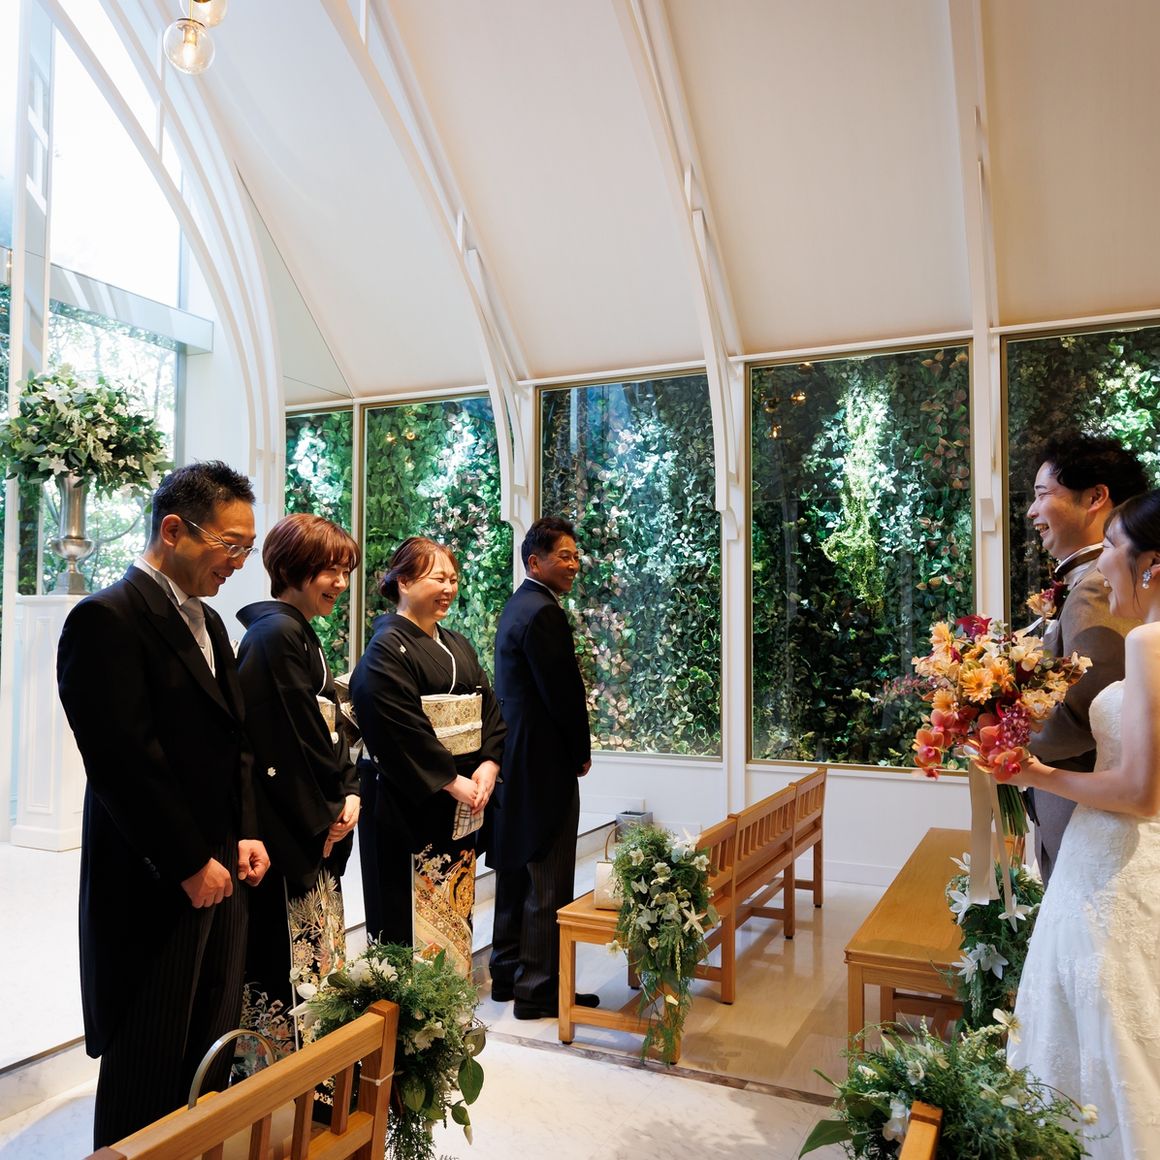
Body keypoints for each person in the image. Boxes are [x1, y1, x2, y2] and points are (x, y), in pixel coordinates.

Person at [56, 461, 269, 1148]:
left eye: (247, 548)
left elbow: (236, 740)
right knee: (148, 1055)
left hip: (220, 864)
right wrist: (186, 862)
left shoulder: (212, 622)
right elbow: (122, 761)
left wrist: (244, 831)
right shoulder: (107, 618)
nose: (238, 562)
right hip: (155, 876)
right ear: (174, 530)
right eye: (230, 545)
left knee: (206, 1045)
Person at [1007, 489, 1160, 1158]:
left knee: (1095, 1027)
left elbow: (1139, 793)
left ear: (1152, 564)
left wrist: (1033, 773)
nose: (1102, 568)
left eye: (1115, 551)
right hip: (1134, 860)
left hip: (1112, 862)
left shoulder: (1150, 642)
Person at [234, 513, 361, 1061]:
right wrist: (329, 809)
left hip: (312, 813)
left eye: (345, 571)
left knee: (312, 956)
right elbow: (290, 743)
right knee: (286, 959)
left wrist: (348, 792)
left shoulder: (296, 632)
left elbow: (330, 728)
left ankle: (310, 1073)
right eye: (329, 570)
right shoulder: (277, 634)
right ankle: (278, 1078)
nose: (340, 583)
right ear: (291, 569)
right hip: (287, 824)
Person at [351, 537, 505, 978]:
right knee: (405, 919)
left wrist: (488, 764)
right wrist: (451, 780)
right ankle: (408, 1018)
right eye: (439, 578)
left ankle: (448, 1006)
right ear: (403, 582)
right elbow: (394, 725)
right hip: (408, 801)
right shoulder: (386, 648)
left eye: (453, 579)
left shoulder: (457, 643)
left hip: (461, 799)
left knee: (454, 907)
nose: (449, 588)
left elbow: (488, 708)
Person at [1023, 433, 1147, 883]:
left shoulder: (1098, 589)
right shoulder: (1086, 583)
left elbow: (1086, 714)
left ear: (1095, 498)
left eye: (1042, 494)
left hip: (1086, 805)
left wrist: (1006, 742)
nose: (1032, 511)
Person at [488, 517, 597, 1019]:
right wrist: (579, 753)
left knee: (517, 868)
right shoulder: (545, 613)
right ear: (535, 561)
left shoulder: (517, 605)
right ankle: (539, 989)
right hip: (544, 762)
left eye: (576, 556)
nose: (574, 565)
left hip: (516, 756)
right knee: (548, 876)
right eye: (564, 556)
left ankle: (506, 975)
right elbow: (564, 695)